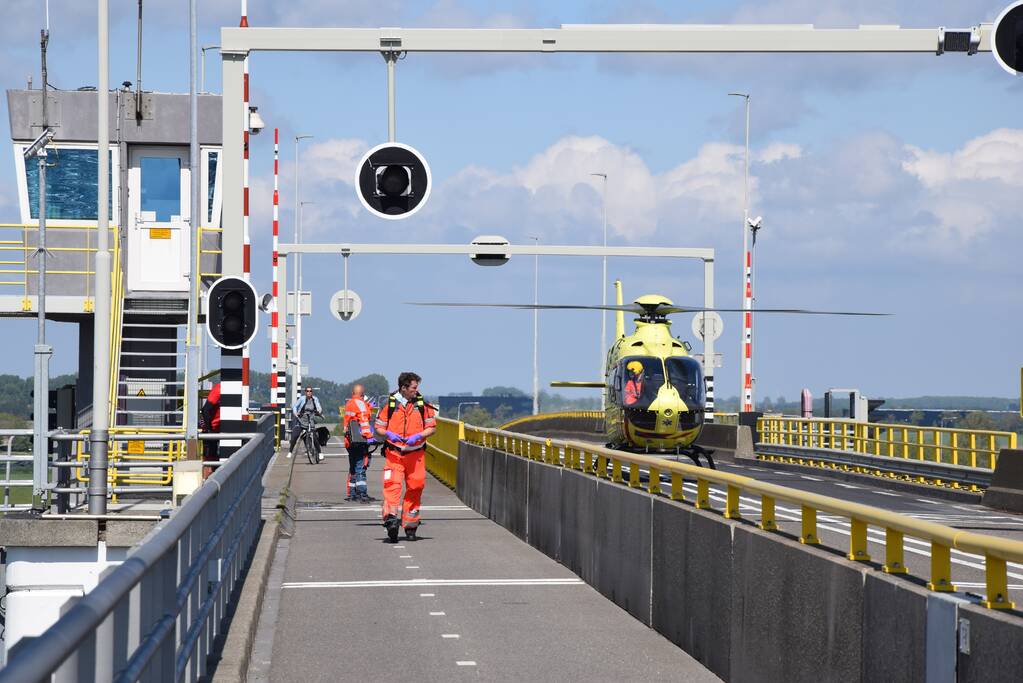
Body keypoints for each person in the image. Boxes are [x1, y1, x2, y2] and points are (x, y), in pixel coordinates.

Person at [375, 371, 436, 542]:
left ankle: (410, 525)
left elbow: (432, 428)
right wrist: (388, 434)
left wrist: (419, 436)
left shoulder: (423, 405)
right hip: (394, 454)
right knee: (392, 486)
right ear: (403, 388)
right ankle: (391, 520)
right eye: (413, 388)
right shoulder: (389, 405)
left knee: (416, 488)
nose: (416, 391)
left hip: (416, 455)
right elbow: (378, 428)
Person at [343, 384, 375, 502]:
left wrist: (369, 407)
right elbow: (364, 421)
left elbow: (349, 420)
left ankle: (352, 493)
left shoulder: (349, 403)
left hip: (349, 441)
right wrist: (370, 437)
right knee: (361, 466)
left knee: (353, 467)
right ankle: (362, 493)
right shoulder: (361, 404)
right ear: (362, 394)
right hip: (359, 440)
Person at [290, 386, 323, 460]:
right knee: (295, 435)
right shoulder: (302, 399)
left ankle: (320, 453)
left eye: (310, 391)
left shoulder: (315, 399)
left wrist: (319, 411)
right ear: (305, 392)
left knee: (314, 436)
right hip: (302, 418)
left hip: (310, 418)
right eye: (307, 391)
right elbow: (295, 406)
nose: (309, 392)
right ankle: (291, 451)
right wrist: (295, 413)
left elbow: (318, 406)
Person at [199, 382, 221, 478]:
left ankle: (214, 481)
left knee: (215, 458)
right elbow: (205, 409)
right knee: (209, 459)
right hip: (211, 428)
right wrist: (209, 429)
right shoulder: (219, 389)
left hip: (220, 429)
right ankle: (205, 484)